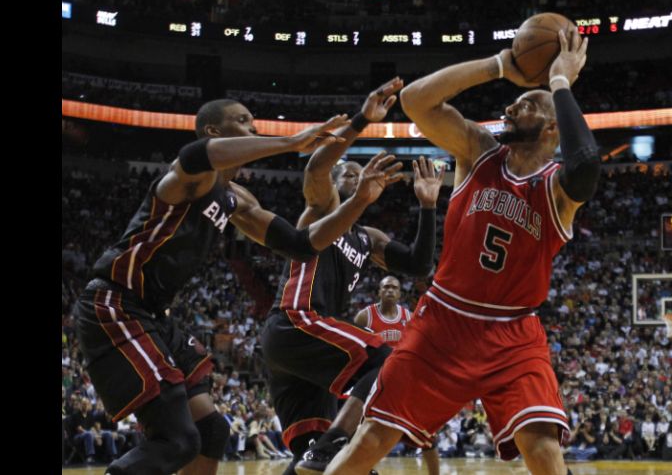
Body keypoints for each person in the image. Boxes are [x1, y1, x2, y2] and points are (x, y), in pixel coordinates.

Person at [75, 99, 403, 475]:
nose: (253, 128)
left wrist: (359, 195)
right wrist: (290, 142)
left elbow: (301, 243)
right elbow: (195, 154)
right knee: (176, 440)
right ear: (215, 131)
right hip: (114, 304)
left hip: (154, 316)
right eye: (243, 121)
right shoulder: (189, 177)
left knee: (212, 430)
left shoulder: (237, 199)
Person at [327, 29, 597, 475]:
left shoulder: (558, 189)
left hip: (513, 331)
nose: (510, 106)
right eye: (513, 101)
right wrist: (499, 65)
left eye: (526, 105)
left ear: (552, 126)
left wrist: (560, 83)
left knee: (544, 450)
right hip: (443, 322)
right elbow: (416, 101)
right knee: (370, 438)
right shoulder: (478, 152)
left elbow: (586, 163)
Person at [260, 78, 445, 475]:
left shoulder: (367, 238)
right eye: (347, 172)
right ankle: (333, 446)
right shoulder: (323, 208)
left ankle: (325, 450)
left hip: (309, 346)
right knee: (389, 362)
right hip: (298, 320)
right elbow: (317, 165)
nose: (353, 176)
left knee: (311, 456)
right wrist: (362, 119)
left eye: (358, 173)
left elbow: (417, 265)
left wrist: (428, 207)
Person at [353, 276, 439, 474]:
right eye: (386, 287)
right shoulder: (364, 317)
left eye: (394, 287)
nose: (390, 290)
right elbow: (355, 352)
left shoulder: (409, 317)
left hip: (404, 382)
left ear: (400, 293)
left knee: (427, 432)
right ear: (379, 292)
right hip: (374, 382)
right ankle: (368, 470)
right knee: (362, 431)